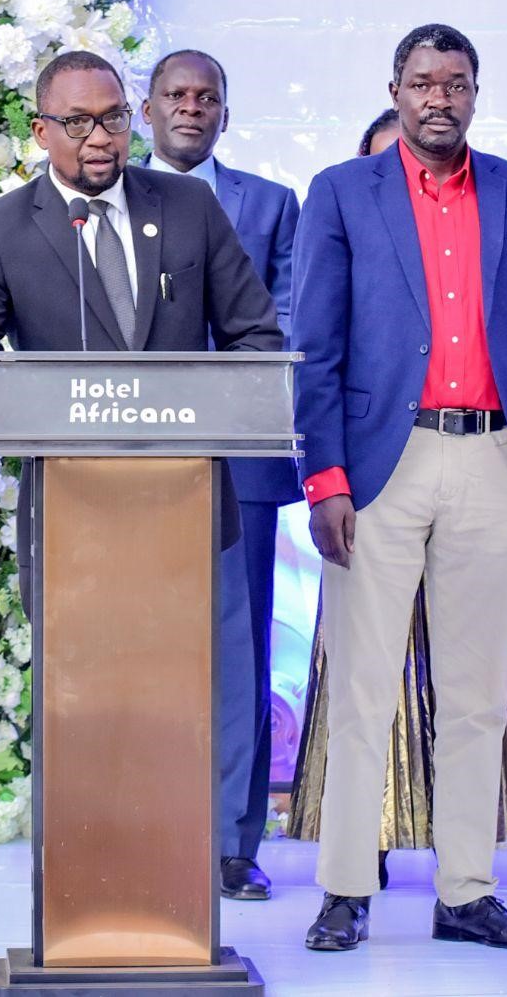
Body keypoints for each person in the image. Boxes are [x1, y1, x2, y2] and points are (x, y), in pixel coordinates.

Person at [293, 24, 507, 953]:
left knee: (476, 690)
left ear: (476, 93)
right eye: (421, 82)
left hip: (493, 460)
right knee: (365, 686)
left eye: (455, 82)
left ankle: (466, 892)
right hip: (380, 463)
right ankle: (343, 890)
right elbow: (318, 346)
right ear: (396, 90)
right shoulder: (341, 192)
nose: (438, 98)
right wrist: (324, 474)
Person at [0, 51, 283, 614]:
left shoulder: (190, 206)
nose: (100, 137)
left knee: (185, 695)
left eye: (114, 117)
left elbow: (258, 336)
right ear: (43, 132)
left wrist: (204, 421)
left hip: (185, 504)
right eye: (78, 122)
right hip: (70, 516)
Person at [138, 48, 302, 902]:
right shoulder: (106, 198)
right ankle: (145, 826)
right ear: (147, 109)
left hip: (239, 459)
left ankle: (238, 843)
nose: (192, 108)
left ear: (226, 115)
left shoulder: (273, 205)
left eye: (208, 97)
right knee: (140, 649)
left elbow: (283, 319)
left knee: (239, 654)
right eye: (176, 95)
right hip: (130, 461)